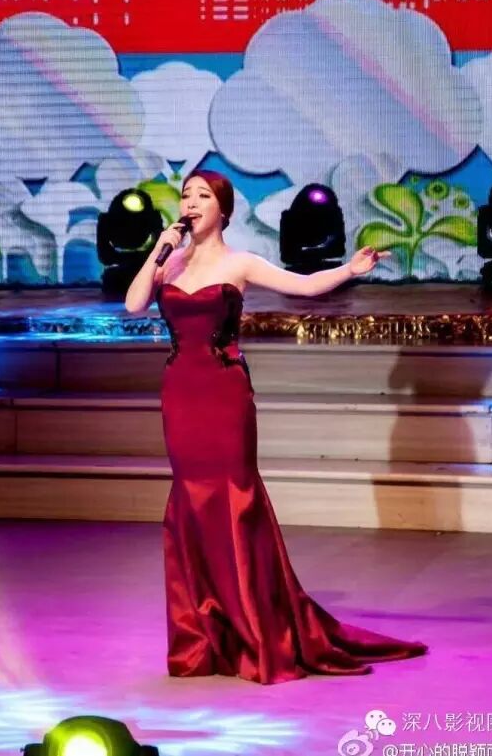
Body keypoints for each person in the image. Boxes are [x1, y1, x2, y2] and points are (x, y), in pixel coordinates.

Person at [125, 169, 428, 684]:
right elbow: (134, 304)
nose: (191, 203)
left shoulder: (240, 262)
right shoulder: (169, 262)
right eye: (186, 195)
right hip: (180, 393)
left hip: (224, 394)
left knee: (234, 498)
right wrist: (159, 249)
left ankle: (257, 627)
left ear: (223, 210)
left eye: (203, 196)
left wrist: (350, 269)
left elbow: (304, 287)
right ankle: (205, 631)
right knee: (191, 502)